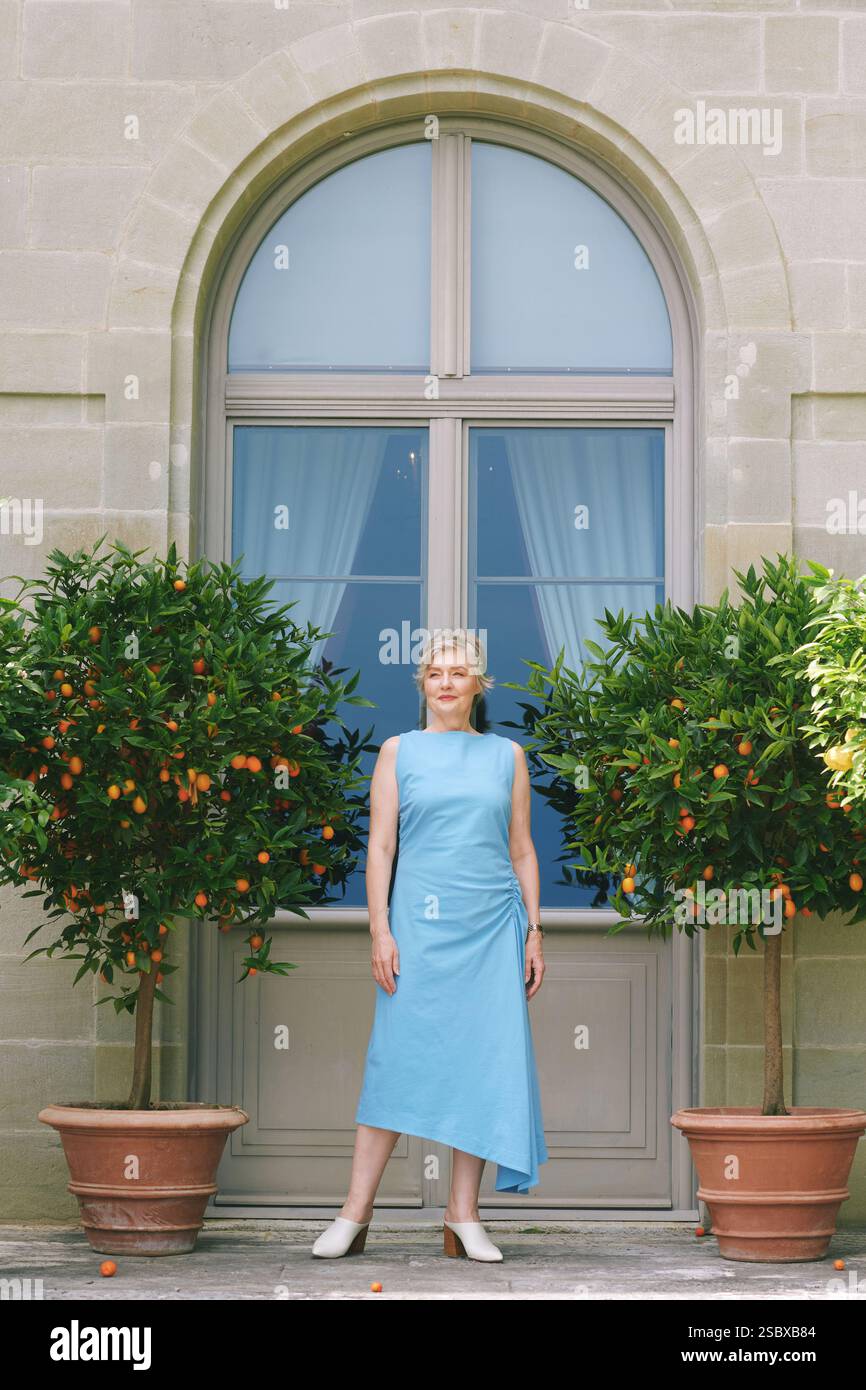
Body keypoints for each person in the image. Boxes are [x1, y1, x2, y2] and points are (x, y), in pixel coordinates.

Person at [312, 629, 548, 1263]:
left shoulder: (507, 756)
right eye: (435, 672)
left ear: (478, 685)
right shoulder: (399, 751)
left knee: (481, 1065)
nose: (446, 682)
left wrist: (534, 928)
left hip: (492, 928)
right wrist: (380, 929)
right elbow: (381, 847)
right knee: (397, 1060)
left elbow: (521, 848)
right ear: (422, 684)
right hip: (418, 927)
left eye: (459, 672)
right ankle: (354, 1214)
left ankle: (463, 1215)